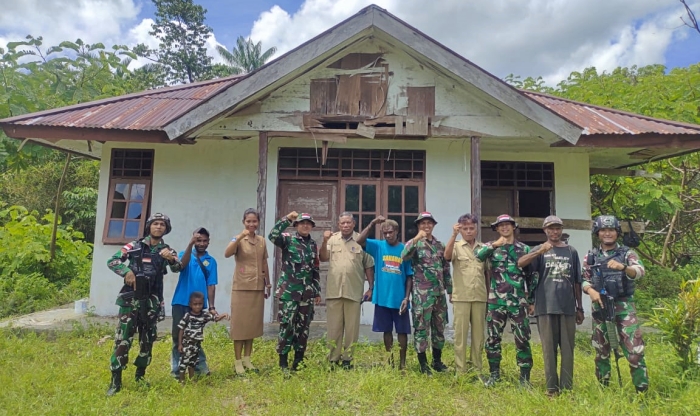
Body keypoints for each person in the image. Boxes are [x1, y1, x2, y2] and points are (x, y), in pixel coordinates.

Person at [106, 213, 182, 396]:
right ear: (149, 226)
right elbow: (113, 261)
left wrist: (171, 259)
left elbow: (178, 267)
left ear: (166, 229)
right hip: (130, 299)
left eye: (162, 224)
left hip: (151, 301)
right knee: (123, 337)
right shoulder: (134, 245)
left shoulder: (167, 250)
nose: (159, 227)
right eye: (155, 224)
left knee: (148, 339)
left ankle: (140, 376)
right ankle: (116, 380)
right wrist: (126, 272)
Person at [518, 216, 584, 396]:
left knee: (568, 349)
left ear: (561, 230)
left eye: (557, 228)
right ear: (545, 230)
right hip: (545, 306)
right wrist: (539, 252)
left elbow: (577, 282)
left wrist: (580, 307)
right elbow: (520, 263)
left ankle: (567, 387)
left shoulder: (571, 251)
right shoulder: (540, 250)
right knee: (549, 349)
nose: (554, 232)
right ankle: (551, 388)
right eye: (550, 228)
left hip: (568, 306)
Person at [582, 215, 648, 393]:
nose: (607, 233)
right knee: (601, 353)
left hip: (624, 308)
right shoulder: (591, 256)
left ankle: (641, 391)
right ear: (598, 233)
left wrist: (624, 268)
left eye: (611, 230)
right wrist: (591, 290)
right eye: (603, 230)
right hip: (601, 309)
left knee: (635, 352)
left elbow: (640, 271)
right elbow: (583, 279)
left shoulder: (627, 253)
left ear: (617, 232)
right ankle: (604, 389)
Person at [475, 214, 533, 387]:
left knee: (522, 339)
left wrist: (532, 300)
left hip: (518, 301)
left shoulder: (524, 249)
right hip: (496, 301)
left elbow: (532, 276)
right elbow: (478, 256)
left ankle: (524, 378)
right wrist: (495, 244)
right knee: (493, 339)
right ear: (497, 229)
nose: (505, 228)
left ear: (513, 227)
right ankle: (494, 375)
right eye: (501, 226)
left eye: (508, 225)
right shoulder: (491, 247)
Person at [357, 216, 413, 370]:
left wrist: (406, 297)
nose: (388, 235)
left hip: (399, 298)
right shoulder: (378, 246)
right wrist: (372, 223)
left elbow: (409, 275)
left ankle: (402, 364)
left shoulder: (404, 249)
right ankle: (390, 361)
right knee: (386, 331)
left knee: (402, 332)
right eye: (385, 233)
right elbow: (359, 240)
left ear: (397, 232)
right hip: (382, 298)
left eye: (390, 232)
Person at [319, 212, 375, 370]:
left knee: (352, 329)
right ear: (338, 224)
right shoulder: (332, 239)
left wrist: (371, 288)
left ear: (354, 224)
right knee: (334, 328)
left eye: (348, 223)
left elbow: (369, 265)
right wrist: (324, 241)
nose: (345, 225)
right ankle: (333, 359)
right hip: (334, 291)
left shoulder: (361, 241)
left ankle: (347, 360)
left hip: (354, 291)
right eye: (342, 223)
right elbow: (322, 257)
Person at [268, 211, 322, 371]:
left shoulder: (313, 245)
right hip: (289, 293)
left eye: (308, 223)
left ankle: (298, 361)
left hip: (307, 294)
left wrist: (316, 291)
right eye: (302, 223)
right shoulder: (287, 239)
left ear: (311, 226)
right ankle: (283, 362)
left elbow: (315, 269)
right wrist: (286, 219)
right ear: (296, 225)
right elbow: (272, 236)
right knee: (287, 326)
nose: (305, 226)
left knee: (303, 328)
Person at [401, 212, 451, 375]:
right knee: (422, 328)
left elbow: (445, 269)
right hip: (422, 295)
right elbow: (404, 256)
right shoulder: (414, 243)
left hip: (438, 294)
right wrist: (416, 239)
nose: (426, 226)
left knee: (439, 327)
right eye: (423, 223)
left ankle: (437, 361)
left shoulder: (440, 245)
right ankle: (423, 364)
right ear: (418, 226)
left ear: (433, 225)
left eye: (429, 223)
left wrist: (450, 290)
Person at [224, 208, 271, 375]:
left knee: (252, 325)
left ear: (258, 222)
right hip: (241, 287)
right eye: (248, 221)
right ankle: (237, 362)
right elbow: (227, 253)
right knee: (240, 326)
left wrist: (268, 283)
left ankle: (247, 359)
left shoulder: (262, 241)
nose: (251, 224)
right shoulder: (239, 239)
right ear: (243, 222)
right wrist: (239, 237)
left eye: (254, 221)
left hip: (257, 287)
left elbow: (264, 262)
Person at [170, 227, 218, 378]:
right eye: (198, 240)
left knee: (195, 338)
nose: (201, 243)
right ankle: (177, 371)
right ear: (193, 240)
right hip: (180, 302)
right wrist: (190, 244)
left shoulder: (211, 261)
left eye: (204, 241)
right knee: (178, 336)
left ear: (208, 242)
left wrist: (211, 307)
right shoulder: (185, 254)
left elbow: (211, 285)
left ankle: (200, 369)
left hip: (198, 307)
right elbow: (180, 266)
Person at [444, 213, 488, 374]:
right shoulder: (455, 246)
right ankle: (460, 370)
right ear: (460, 229)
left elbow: (487, 273)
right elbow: (447, 257)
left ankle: (477, 369)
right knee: (460, 335)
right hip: (461, 297)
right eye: (465, 228)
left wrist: (489, 295)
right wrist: (453, 235)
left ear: (476, 229)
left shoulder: (483, 249)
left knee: (478, 336)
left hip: (479, 297)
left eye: (471, 228)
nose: (469, 231)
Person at [177, 292, 229, 383]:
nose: (197, 306)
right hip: (187, 343)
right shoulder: (188, 316)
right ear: (190, 304)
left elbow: (215, 319)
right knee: (184, 362)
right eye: (195, 304)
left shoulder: (204, 315)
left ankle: (192, 379)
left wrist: (223, 315)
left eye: (200, 304)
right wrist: (180, 344)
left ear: (203, 304)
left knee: (193, 362)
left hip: (196, 344)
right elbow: (181, 329)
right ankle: (181, 380)